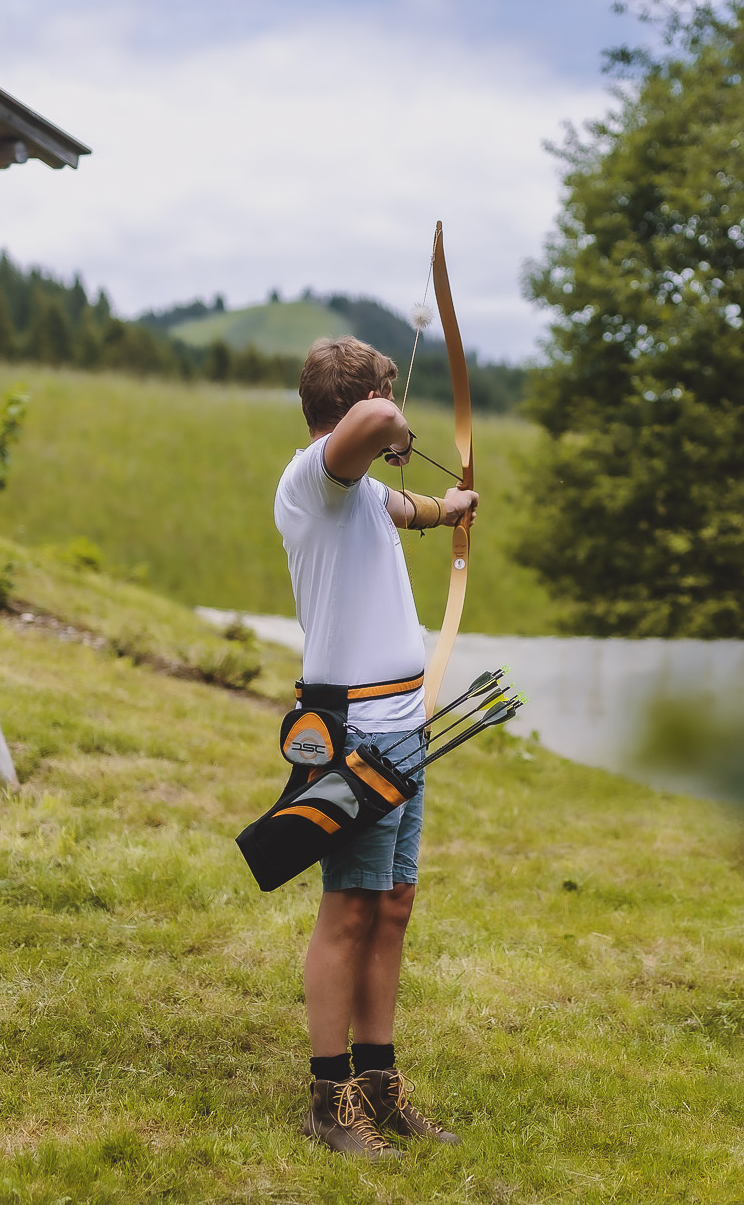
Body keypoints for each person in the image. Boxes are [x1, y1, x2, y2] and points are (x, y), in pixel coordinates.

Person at [274, 335, 478, 1159]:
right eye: (384, 404)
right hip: (353, 730)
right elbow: (382, 418)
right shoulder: (315, 479)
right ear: (353, 411)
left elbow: (404, 510)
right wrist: (395, 427)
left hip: (406, 722)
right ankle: (330, 1102)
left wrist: (450, 510)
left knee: (392, 903)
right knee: (348, 907)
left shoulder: (356, 494)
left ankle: (379, 1085)